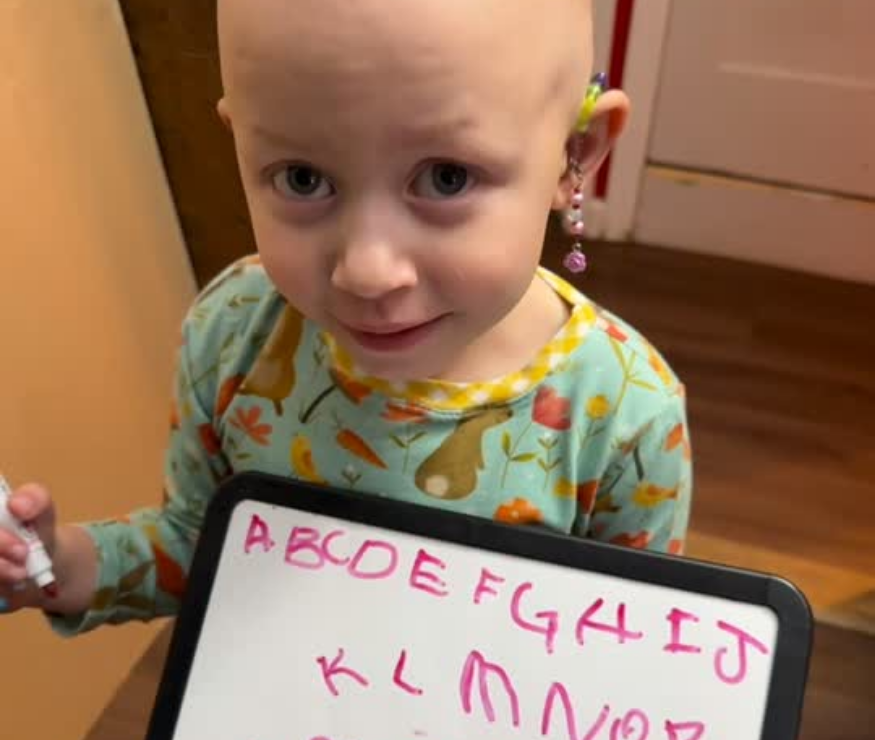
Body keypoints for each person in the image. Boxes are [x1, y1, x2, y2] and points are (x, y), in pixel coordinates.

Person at [0, 0, 691, 633]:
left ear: (575, 154)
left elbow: (629, 640)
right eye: (302, 177)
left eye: (446, 177)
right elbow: (198, 540)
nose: (366, 270)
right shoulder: (233, 330)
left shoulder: (627, 415)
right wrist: (58, 564)